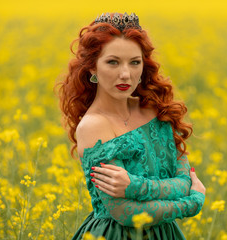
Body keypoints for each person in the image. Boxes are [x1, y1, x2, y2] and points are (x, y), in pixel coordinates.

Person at [57, 12, 206, 240]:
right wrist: (192, 202)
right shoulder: (93, 126)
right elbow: (126, 212)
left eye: (135, 62)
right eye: (113, 62)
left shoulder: (155, 109)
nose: (125, 74)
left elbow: (185, 180)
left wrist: (133, 186)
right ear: (92, 68)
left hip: (166, 232)